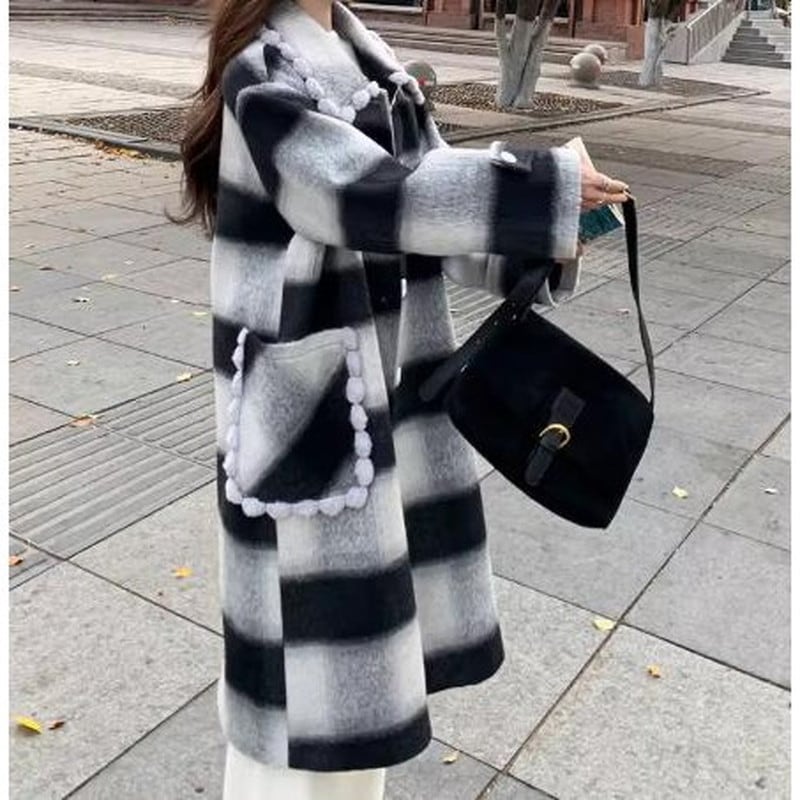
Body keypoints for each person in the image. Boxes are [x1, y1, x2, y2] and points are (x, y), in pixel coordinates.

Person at [176, 0, 628, 796]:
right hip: (306, 419)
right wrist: (538, 191)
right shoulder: (263, 71)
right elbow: (356, 195)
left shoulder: (374, 62)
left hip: (383, 408)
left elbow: (436, 218)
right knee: (293, 715)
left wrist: (558, 224)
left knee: (365, 703)